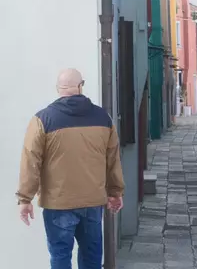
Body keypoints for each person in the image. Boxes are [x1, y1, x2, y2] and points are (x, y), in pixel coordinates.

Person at [16, 68, 125, 269]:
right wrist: (115, 192)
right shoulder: (103, 118)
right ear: (81, 86)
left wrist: (25, 199)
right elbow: (112, 158)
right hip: (92, 202)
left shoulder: (42, 120)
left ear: (58, 89)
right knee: (92, 258)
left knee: (60, 257)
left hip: (57, 203)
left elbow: (31, 161)